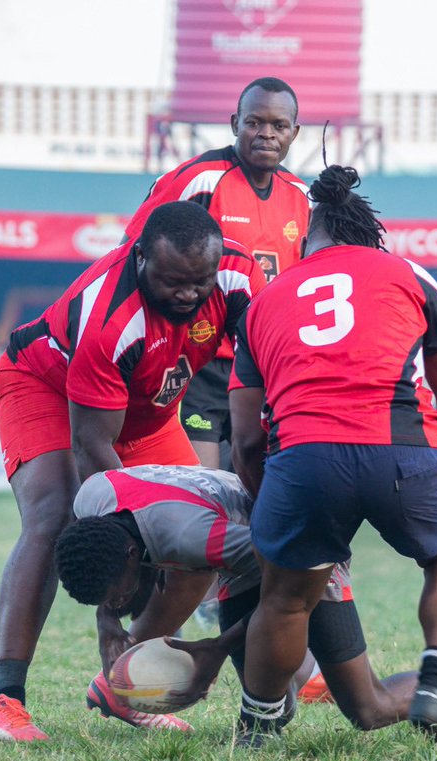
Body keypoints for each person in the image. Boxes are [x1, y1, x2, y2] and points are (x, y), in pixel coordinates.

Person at [0, 201, 264, 742]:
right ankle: (3, 698)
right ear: (140, 258)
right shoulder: (110, 321)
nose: (188, 295)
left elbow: (268, 361)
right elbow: (95, 457)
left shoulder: (240, 276)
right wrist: (111, 603)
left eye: (199, 282)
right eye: (172, 281)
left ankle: (124, 683)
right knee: (54, 513)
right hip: (52, 392)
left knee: (200, 527)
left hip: (146, 408)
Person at [229, 164, 437, 748]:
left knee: (284, 597)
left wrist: (267, 493)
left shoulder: (264, 299)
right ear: (369, 232)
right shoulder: (409, 273)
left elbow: (246, 435)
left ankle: (258, 724)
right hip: (403, 446)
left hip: (303, 458)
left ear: (307, 237)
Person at [53, 463, 437, 754]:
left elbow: (290, 585)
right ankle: (264, 727)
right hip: (243, 547)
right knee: (267, 697)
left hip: (302, 550)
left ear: (129, 553)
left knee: (367, 707)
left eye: (117, 593)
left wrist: (215, 649)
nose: (118, 602)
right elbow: (118, 567)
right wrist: (107, 619)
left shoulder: (196, 539)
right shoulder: (91, 502)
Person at [125, 76, 310, 470]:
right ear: (234, 124)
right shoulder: (197, 179)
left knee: (258, 494)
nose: (266, 134)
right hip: (199, 362)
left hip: (265, 370)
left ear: (294, 132)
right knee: (202, 492)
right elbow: (130, 253)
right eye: (254, 122)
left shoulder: (302, 197)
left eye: (278, 126)